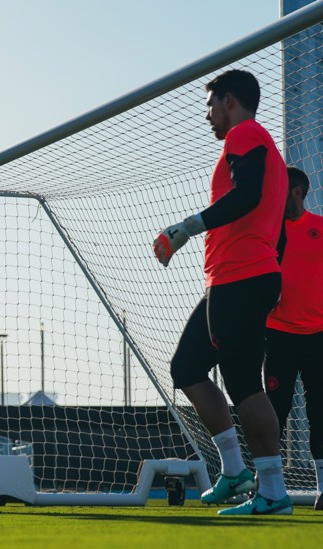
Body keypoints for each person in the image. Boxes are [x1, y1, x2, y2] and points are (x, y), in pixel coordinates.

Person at [152, 69, 291, 515]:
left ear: (229, 101)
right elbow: (275, 230)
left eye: (210, 105)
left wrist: (186, 228)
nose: (208, 116)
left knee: (244, 383)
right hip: (231, 280)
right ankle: (235, 472)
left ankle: (273, 491)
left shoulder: (245, 134)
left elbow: (247, 195)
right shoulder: (260, 144)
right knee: (188, 367)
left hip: (241, 279)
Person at [263, 166, 323, 511]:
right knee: (273, 413)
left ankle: (322, 490)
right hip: (279, 337)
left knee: (321, 415)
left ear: (297, 193)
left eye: (280, 190)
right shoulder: (268, 233)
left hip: (319, 339)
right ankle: (268, 488)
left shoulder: (319, 229)